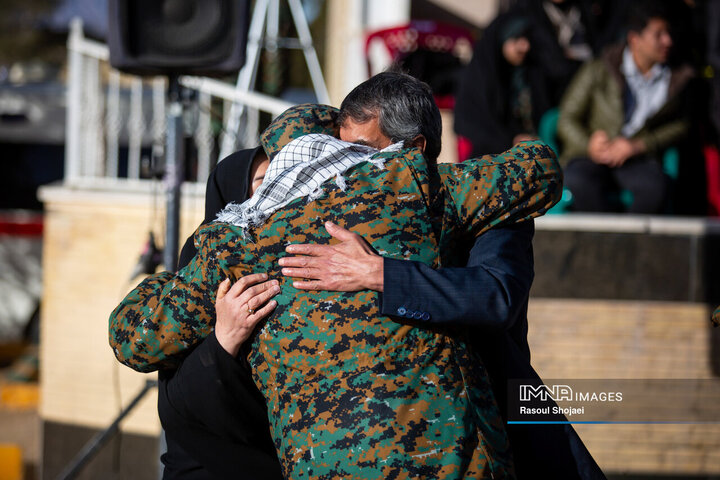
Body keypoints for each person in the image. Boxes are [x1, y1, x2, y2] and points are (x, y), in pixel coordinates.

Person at [110, 72, 563, 479]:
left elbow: (131, 334)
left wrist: (380, 273)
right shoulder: (415, 185)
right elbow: (539, 166)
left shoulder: (237, 240)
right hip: (453, 459)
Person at [557, 1, 695, 213]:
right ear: (634, 39)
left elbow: (682, 125)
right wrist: (589, 145)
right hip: (593, 155)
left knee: (655, 188)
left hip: (637, 158)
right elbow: (567, 118)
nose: (668, 41)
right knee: (579, 182)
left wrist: (640, 145)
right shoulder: (600, 69)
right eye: (658, 34)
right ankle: (600, 243)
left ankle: (631, 245)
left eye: (668, 33)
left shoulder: (677, 77)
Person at [454, 14, 551, 158]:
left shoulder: (528, 73)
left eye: (527, 39)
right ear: (502, 39)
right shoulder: (480, 78)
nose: (525, 46)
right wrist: (512, 140)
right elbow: (474, 126)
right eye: (517, 39)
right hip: (488, 160)